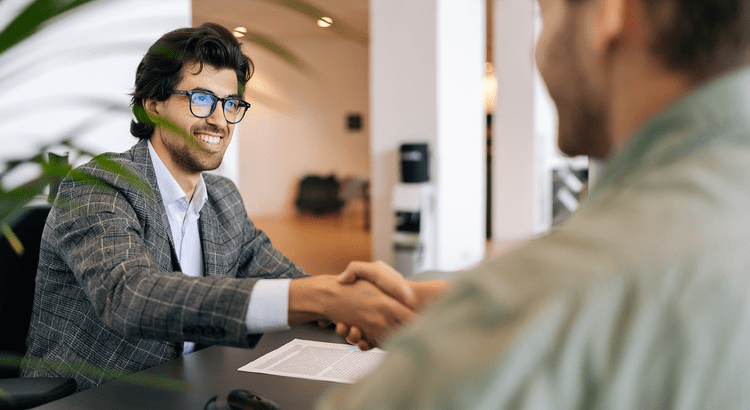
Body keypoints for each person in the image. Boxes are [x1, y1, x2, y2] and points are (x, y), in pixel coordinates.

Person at [318, 0, 750, 408]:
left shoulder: (534, 306)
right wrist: (423, 297)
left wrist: (468, 319)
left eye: (545, 14)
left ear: (608, 14)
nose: (538, 53)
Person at [21, 23, 414, 392]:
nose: (219, 120)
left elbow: (286, 279)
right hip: (93, 397)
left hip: (191, 389)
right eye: (201, 99)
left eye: (231, 104)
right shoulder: (97, 187)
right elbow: (131, 297)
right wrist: (321, 298)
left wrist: (360, 303)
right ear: (153, 103)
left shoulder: (223, 197)